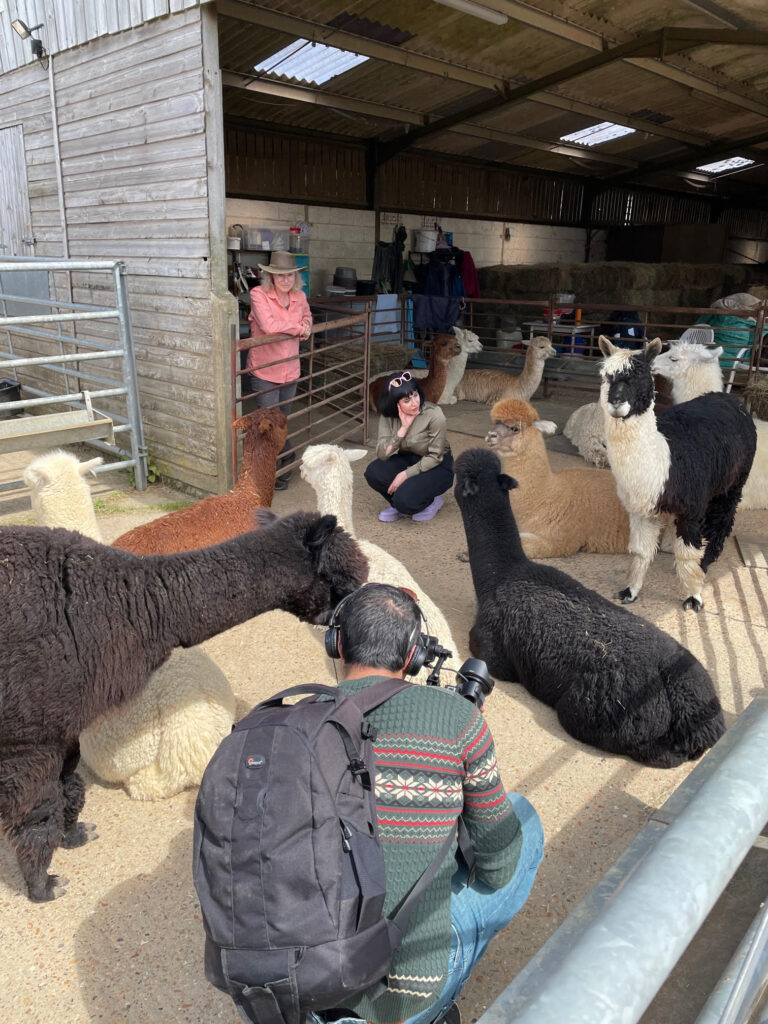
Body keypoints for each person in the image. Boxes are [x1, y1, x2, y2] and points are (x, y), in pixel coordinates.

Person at [318, 583, 544, 1024]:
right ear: (414, 655)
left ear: (337, 642)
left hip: (286, 985)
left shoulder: (286, 719)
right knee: (524, 818)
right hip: (398, 1001)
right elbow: (497, 868)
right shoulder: (458, 720)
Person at [247, 250, 312, 489]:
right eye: (279, 275)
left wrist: (307, 324)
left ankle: (283, 461)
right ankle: (272, 468)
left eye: (290, 275)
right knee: (268, 424)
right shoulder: (258, 294)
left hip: (290, 370)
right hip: (265, 369)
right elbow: (269, 326)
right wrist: (299, 328)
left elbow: (308, 318)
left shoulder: (300, 297)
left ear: (296, 276)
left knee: (281, 421)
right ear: (271, 277)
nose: (285, 279)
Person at [365, 370, 454, 522]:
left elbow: (435, 456)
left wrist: (404, 475)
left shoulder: (434, 414)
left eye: (415, 395)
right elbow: (382, 454)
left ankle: (431, 501)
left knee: (406, 500)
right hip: (408, 458)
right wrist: (403, 429)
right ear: (395, 403)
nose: (414, 403)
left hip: (436, 464)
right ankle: (398, 505)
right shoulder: (388, 417)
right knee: (374, 472)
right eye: (406, 400)